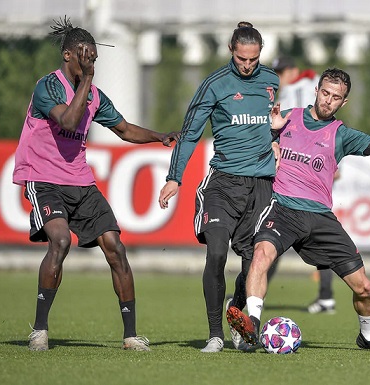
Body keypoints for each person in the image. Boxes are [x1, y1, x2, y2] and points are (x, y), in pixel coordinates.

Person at [226, 68, 370, 352]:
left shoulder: (341, 135)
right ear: (316, 91)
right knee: (261, 255)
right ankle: (252, 323)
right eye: (325, 93)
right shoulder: (286, 117)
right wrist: (269, 129)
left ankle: (367, 337)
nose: (328, 101)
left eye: (336, 97)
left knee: (364, 288)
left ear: (344, 103)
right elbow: (245, 136)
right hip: (282, 208)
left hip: (320, 217)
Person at [14, 17, 179, 352]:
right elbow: (69, 119)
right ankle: (40, 330)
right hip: (44, 179)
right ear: (68, 56)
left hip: (80, 182)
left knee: (116, 248)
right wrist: (88, 78)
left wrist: (160, 136)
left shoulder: (94, 96)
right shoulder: (48, 87)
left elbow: (124, 130)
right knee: (59, 241)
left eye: (94, 58)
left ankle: (131, 335)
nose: (91, 63)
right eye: (85, 56)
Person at [158, 21, 280, 353]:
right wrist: (174, 176)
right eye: (242, 59)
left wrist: (277, 140)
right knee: (216, 253)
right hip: (222, 185)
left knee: (255, 261)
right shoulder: (214, 84)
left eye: (253, 60)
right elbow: (190, 132)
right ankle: (215, 335)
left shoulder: (271, 81)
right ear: (231, 50)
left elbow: (272, 124)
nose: (248, 66)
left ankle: (237, 312)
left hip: (261, 186)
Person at [270, 55, 337, 314]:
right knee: (316, 235)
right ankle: (326, 296)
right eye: (277, 72)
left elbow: (308, 129)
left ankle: (250, 289)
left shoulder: (296, 93)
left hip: (302, 173)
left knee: (273, 234)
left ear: (294, 70)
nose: (279, 76)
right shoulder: (306, 87)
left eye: (283, 71)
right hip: (308, 171)